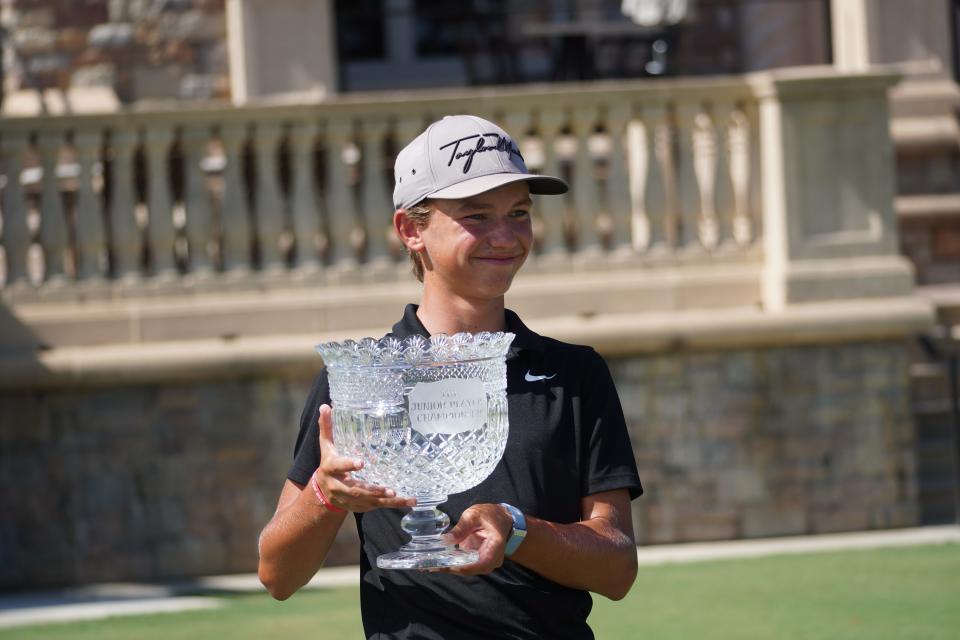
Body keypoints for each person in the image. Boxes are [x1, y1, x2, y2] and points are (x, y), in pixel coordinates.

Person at [257, 115, 643, 639]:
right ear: (411, 230)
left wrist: (516, 531)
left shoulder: (575, 376)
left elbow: (617, 570)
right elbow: (277, 575)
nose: (505, 236)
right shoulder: (360, 378)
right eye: (477, 216)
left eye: (519, 213)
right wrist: (324, 497)